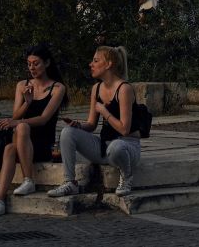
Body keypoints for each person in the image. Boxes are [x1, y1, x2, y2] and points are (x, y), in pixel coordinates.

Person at [0, 45, 67, 216]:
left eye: (36, 63)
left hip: (41, 142)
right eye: (29, 64)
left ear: (47, 63)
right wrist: (27, 102)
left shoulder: (57, 88)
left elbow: (43, 119)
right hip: (20, 139)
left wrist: (19, 122)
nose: (32, 68)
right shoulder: (22, 85)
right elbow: (15, 116)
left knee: (19, 130)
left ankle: (28, 180)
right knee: (11, 145)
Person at [49, 46, 142, 198]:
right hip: (104, 147)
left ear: (109, 64)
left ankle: (127, 177)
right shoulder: (96, 88)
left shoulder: (124, 89)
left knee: (116, 147)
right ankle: (70, 183)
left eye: (96, 60)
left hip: (126, 147)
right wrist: (78, 125)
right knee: (67, 133)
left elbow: (124, 130)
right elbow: (91, 124)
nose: (90, 64)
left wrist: (105, 111)